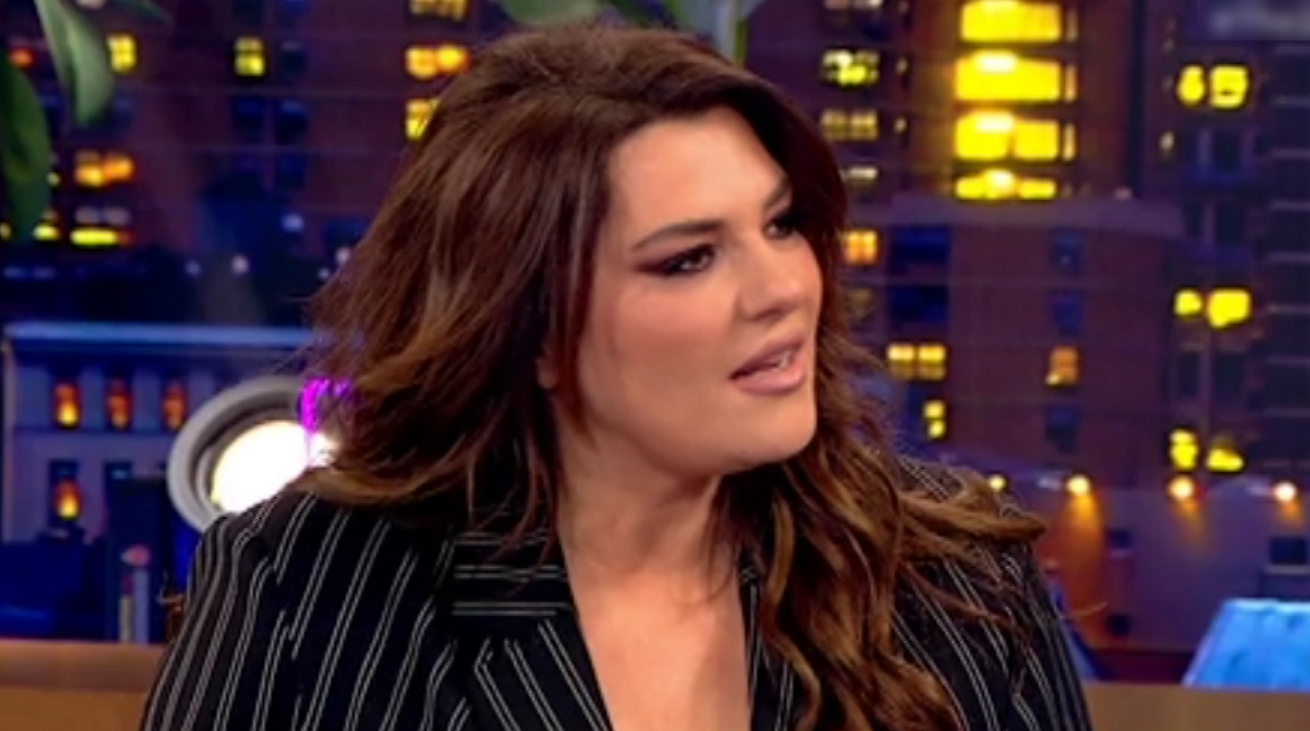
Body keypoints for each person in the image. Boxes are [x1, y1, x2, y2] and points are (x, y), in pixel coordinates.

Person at [140, 24, 1093, 731]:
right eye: (688, 259)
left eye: (779, 224)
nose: (781, 288)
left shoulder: (955, 578)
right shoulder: (310, 586)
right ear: (531, 329)